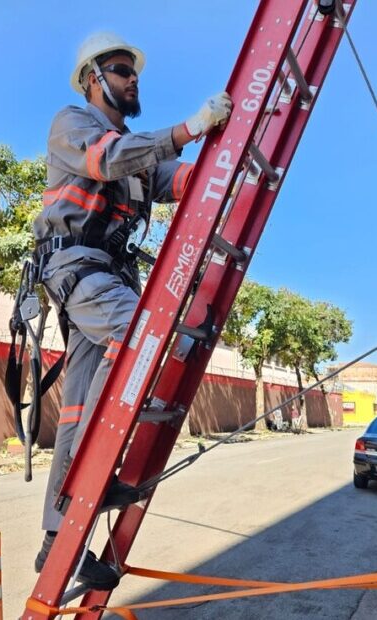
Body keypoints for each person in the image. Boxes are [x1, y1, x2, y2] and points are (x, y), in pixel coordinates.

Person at [31, 32, 232, 590]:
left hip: (107, 275)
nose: (132, 78)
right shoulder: (72, 124)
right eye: (121, 70)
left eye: (133, 70)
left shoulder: (139, 164)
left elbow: (179, 179)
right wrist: (190, 128)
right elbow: (107, 159)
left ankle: (56, 543)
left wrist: (227, 155)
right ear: (93, 79)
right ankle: (90, 472)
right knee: (142, 338)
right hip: (78, 269)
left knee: (75, 411)